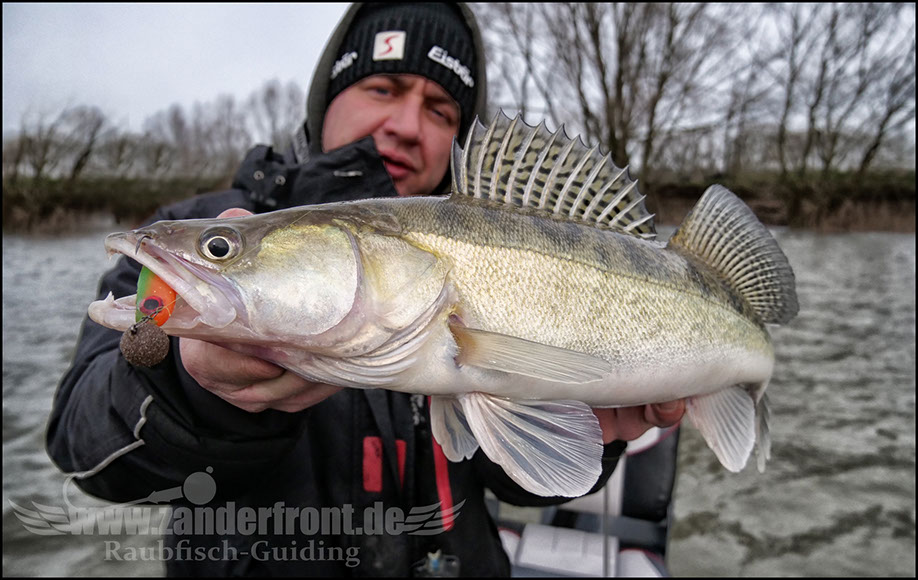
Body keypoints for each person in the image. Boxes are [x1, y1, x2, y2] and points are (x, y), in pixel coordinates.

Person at [47, 3, 685, 576]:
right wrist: (192, 391)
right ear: (327, 98)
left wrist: (597, 432)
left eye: (442, 110)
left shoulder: (495, 242)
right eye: (384, 87)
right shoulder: (204, 222)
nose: (409, 125)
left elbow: (520, 478)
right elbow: (83, 451)